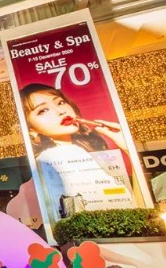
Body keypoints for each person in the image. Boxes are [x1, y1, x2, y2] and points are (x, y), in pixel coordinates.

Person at [19, 83, 133, 223]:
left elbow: (132, 210)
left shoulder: (81, 152)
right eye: (43, 110)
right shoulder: (52, 158)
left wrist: (128, 150)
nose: (61, 111)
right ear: (31, 130)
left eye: (60, 102)